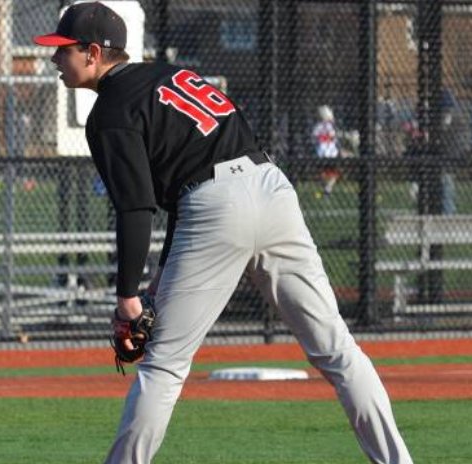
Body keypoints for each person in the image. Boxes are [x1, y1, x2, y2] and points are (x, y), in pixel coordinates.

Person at [34, 3, 412, 463]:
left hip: (214, 205)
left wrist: (127, 296)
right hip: (270, 187)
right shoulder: (174, 75)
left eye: (63, 50)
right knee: (337, 349)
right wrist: (158, 282)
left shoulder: (111, 110)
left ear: (93, 53)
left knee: (164, 367)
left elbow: (136, 208)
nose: (55, 58)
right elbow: (183, 190)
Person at [311, 105, 341, 198]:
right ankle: (327, 189)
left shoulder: (318, 126)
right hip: (330, 152)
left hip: (323, 152)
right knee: (332, 173)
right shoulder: (328, 126)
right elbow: (333, 138)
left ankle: (327, 189)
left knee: (325, 173)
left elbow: (314, 139)